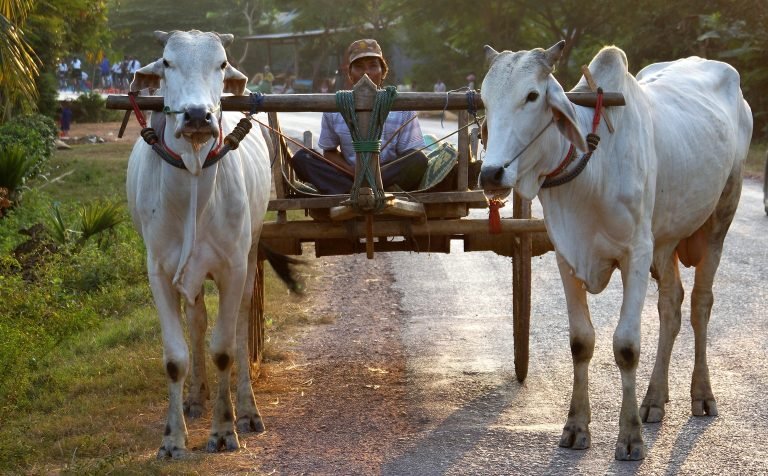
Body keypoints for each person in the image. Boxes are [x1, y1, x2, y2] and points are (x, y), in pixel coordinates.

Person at [290, 39, 428, 195]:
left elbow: (409, 154)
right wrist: (353, 172)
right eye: (359, 67)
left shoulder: (401, 107)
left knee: (418, 159)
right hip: (350, 175)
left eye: (373, 66)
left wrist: (374, 175)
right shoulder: (335, 107)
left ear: (383, 71)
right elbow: (329, 152)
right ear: (350, 73)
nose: (366, 72)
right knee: (303, 158)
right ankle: (359, 191)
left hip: (387, 174)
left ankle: (357, 191)